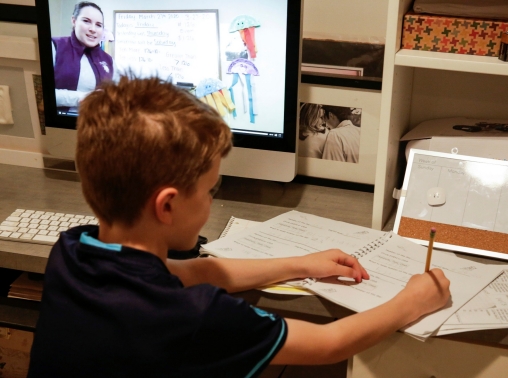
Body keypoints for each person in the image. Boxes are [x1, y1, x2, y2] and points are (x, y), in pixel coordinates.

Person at [27, 76, 450, 378]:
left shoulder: (72, 250)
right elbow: (329, 345)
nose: (213, 199)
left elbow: (197, 272)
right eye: (211, 189)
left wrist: (302, 263)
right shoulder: (192, 317)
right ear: (168, 205)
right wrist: (411, 301)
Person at [52, 1, 114, 113]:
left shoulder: (108, 60)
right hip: (59, 122)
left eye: (99, 25)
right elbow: (43, 95)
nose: (93, 29)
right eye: (86, 21)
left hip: (97, 125)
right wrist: (84, 97)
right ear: (74, 21)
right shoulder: (55, 46)